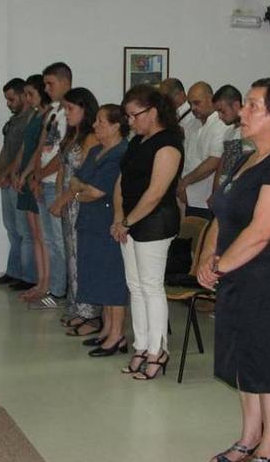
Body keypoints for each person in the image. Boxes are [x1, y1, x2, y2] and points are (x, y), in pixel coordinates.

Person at [198, 78, 270, 462]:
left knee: (266, 363)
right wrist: (209, 258)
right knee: (243, 361)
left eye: (254, 106)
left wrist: (220, 266)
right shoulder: (246, 157)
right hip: (234, 276)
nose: (243, 112)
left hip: (264, 278)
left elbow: (261, 231)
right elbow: (223, 214)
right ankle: (247, 439)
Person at [112, 84, 183, 381]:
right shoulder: (137, 142)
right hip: (129, 220)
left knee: (151, 286)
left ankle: (158, 350)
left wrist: (127, 222)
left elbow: (156, 193)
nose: (130, 121)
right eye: (127, 116)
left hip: (155, 221)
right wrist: (119, 217)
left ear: (152, 112)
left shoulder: (168, 143)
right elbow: (121, 182)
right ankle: (141, 346)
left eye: (134, 115)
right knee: (136, 286)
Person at [70, 104, 130, 356]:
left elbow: (96, 191)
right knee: (97, 276)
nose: (95, 126)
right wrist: (81, 190)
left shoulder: (121, 153)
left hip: (108, 223)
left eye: (101, 122)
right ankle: (106, 329)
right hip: (90, 222)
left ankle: (118, 335)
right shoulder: (96, 150)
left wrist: (81, 191)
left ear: (116, 126)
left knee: (112, 279)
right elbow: (75, 181)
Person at [42, 88, 101, 324]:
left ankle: (88, 311)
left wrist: (64, 199)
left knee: (81, 257)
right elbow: (63, 170)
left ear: (85, 109)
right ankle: (75, 305)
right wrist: (58, 198)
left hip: (81, 202)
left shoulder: (91, 138)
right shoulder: (73, 136)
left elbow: (83, 177)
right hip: (67, 202)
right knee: (71, 256)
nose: (66, 114)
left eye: (70, 109)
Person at [26, 62, 72, 307]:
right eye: (44, 84)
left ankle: (59, 291)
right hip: (42, 180)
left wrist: (43, 173)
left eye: (50, 84)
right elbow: (41, 146)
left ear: (65, 82)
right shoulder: (53, 110)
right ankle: (53, 287)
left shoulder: (69, 113)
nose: (46, 88)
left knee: (58, 240)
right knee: (49, 239)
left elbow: (63, 152)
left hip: (57, 182)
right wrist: (35, 175)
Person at [0, 77, 35, 286]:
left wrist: (8, 173)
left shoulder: (31, 119)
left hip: (19, 181)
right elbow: (6, 149)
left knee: (24, 230)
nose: (8, 103)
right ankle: (14, 271)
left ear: (22, 96)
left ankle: (28, 277)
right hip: (7, 181)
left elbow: (23, 152)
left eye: (11, 99)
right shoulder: (13, 121)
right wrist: (0, 172)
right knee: (11, 228)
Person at [12, 75, 51, 296]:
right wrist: (18, 172)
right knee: (34, 234)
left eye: (31, 94)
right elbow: (25, 147)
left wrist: (27, 173)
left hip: (35, 177)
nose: (27, 99)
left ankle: (47, 283)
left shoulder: (48, 116)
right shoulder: (34, 115)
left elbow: (39, 150)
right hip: (27, 177)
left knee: (43, 235)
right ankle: (40, 280)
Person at [178, 81, 230, 219]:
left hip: (207, 201)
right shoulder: (192, 124)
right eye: (190, 104)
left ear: (211, 99)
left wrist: (184, 183)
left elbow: (214, 162)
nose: (193, 108)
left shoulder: (221, 124)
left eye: (197, 103)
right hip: (189, 199)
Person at [211, 84, 252, 191]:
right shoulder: (228, 132)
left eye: (222, 111)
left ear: (236, 106)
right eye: (217, 112)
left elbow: (249, 164)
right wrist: (215, 190)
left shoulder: (250, 131)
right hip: (224, 190)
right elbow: (223, 163)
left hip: (239, 190)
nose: (219, 116)